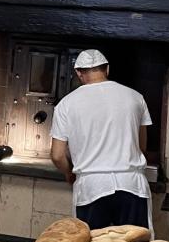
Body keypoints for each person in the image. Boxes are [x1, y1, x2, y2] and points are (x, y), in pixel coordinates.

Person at [49, 49, 153, 231]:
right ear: (107, 69)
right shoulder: (136, 98)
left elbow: (57, 155)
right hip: (132, 185)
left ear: (79, 73)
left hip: (91, 187)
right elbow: (142, 146)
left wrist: (69, 173)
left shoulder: (66, 104)